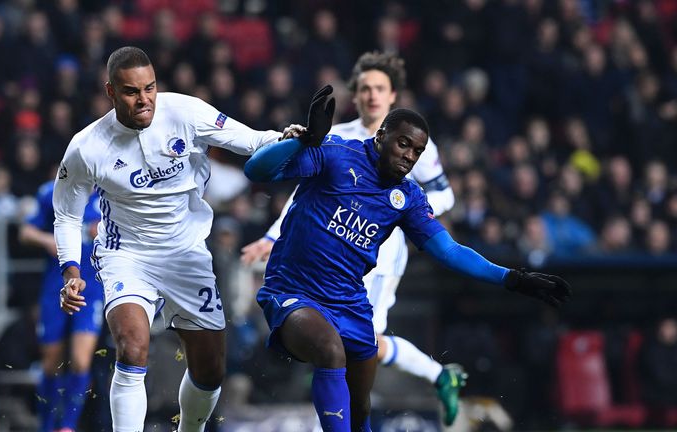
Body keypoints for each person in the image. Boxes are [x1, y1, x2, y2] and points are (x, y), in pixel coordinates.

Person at [243, 86, 572, 431]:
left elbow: (448, 251)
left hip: (350, 304)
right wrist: (304, 139)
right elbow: (256, 171)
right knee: (330, 349)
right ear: (381, 135)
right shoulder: (336, 153)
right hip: (294, 291)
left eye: (417, 151)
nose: (409, 156)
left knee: (360, 409)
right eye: (403, 144)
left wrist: (513, 278)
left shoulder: (408, 196)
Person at [54, 46, 285, 432]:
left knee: (211, 368)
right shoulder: (87, 147)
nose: (144, 99)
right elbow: (66, 214)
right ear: (111, 92)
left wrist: (290, 137)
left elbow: (254, 142)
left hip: (186, 253)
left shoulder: (186, 112)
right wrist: (70, 271)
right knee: (131, 345)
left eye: (150, 88)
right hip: (126, 254)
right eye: (131, 91)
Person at [241, 51, 464, 425]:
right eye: (365, 89)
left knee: (364, 345)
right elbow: (301, 194)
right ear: (355, 96)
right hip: (326, 252)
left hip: (377, 260)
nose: (373, 95)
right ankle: (429, 378)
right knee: (346, 347)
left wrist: (402, 214)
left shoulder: (416, 145)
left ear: (393, 96)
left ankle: (428, 379)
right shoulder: (338, 136)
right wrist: (271, 234)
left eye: (380, 89)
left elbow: (446, 195)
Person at [20, 180, 104, 432]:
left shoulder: (109, 191)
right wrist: (48, 240)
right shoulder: (52, 192)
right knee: (51, 362)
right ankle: (46, 426)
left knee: (81, 360)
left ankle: (68, 426)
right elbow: (26, 232)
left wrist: (106, 233)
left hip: (92, 287)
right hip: (55, 286)